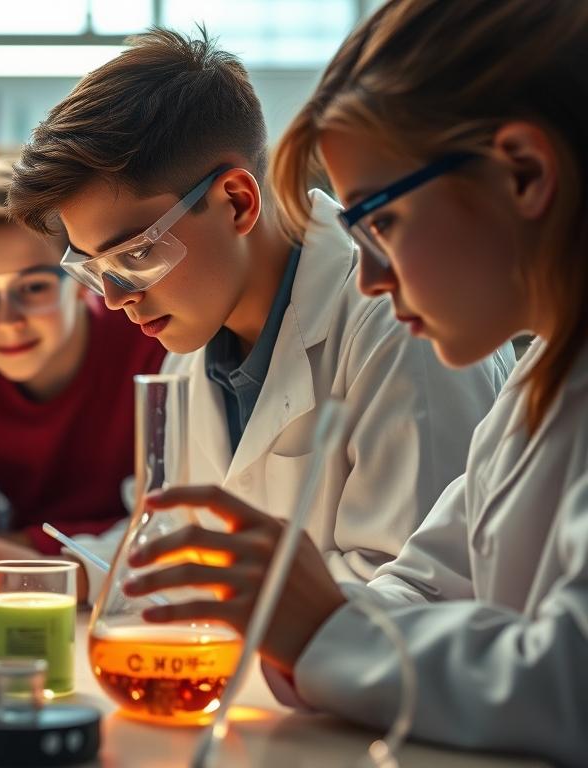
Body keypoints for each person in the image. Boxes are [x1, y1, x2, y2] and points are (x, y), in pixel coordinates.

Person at [121, 1, 588, 762]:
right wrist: (305, 618)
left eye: (377, 220)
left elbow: (570, 679)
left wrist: (326, 630)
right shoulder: (543, 379)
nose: (365, 274)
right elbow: (430, 583)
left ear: (525, 174)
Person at [6, 29, 511, 601]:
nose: (116, 296)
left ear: (237, 201)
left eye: (136, 254)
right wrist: (56, 571)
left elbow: (423, 593)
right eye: (94, 268)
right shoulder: (191, 357)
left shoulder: (396, 325)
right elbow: (179, 540)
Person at [0, 155, 165, 560]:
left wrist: (33, 544)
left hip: (136, 582)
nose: (7, 321)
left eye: (32, 288)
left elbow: (174, 510)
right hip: (20, 588)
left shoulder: (149, 343)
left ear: (83, 279)